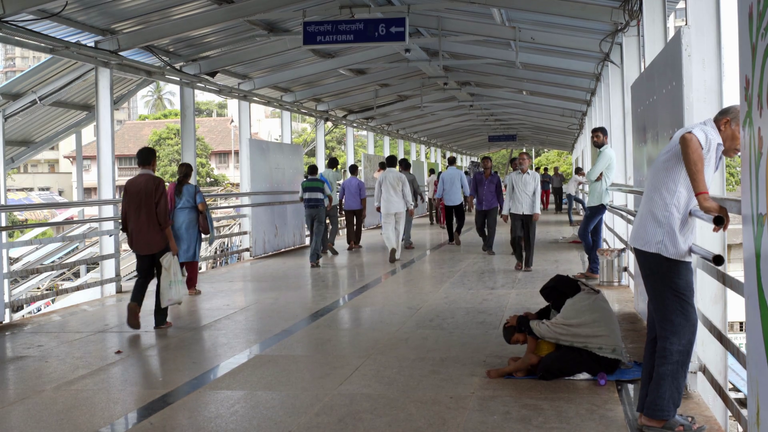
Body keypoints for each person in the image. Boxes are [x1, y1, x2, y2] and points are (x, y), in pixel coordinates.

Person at [630, 106, 740, 432]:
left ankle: (652, 411)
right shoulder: (701, 133)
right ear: (725, 124)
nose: (741, 146)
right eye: (742, 135)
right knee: (681, 326)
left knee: (664, 330)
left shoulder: (709, 139)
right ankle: (658, 415)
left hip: (657, 241)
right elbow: (690, 141)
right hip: (664, 244)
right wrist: (705, 200)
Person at [497, 274, 628, 381]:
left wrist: (521, 321)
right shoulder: (580, 293)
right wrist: (536, 315)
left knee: (546, 367)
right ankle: (526, 364)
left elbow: (548, 330)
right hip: (593, 349)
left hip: (604, 358)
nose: (552, 304)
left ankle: (529, 365)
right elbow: (552, 308)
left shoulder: (576, 306)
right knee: (555, 350)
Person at [120, 147, 178, 330]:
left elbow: (125, 215)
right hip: (159, 240)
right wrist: (172, 241)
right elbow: (163, 216)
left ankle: (135, 303)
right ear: (154, 162)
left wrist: (130, 235)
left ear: (137, 163)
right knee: (163, 279)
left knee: (143, 276)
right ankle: (160, 320)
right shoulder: (157, 183)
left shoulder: (129, 185)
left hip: (139, 240)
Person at [576, 127, 616, 280]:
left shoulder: (606, 153)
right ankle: (594, 269)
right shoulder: (601, 153)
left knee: (583, 232)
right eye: (593, 137)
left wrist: (592, 173)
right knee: (596, 236)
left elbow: (591, 175)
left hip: (598, 201)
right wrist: (592, 174)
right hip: (596, 200)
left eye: (597, 137)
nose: (594, 140)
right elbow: (592, 175)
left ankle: (593, 261)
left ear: (605, 138)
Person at [168, 163, 212, 296]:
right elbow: (201, 207)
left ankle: (172, 286)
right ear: (190, 174)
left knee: (177, 254)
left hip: (176, 224)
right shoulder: (194, 189)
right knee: (192, 255)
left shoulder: (172, 188)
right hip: (191, 225)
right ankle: (191, 287)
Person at [501, 152, 540, 271]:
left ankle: (528, 264)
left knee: (529, 238)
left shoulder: (535, 176)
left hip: (530, 211)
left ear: (529, 161)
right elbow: (509, 195)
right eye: (519, 159)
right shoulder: (512, 176)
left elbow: (537, 194)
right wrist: (505, 212)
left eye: (523, 159)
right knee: (515, 237)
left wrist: (537, 211)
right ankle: (519, 259)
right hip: (516, 211)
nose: (521, 161)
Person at [374, 155, 414, 263]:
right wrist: (410, 206)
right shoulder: (401, 176)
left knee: (387, 230)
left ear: (386, 164)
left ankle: (391, 247)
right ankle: (396, 255)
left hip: (387, 207)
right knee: (399, 230)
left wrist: (377, 204)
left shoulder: (382, 176)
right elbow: (407, 192)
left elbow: (377, 191)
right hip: (400, 207)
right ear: (396, 164)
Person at [486, 324, 556, 378]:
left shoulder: (531, 333)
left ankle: (503, 371)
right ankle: (519, 368)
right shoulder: (530, 337)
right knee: (512, 359)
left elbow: (530, 357)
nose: (521, 343)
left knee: (527, 360)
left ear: (520, 329)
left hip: (545, 363)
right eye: (517, 343)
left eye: (517, 340)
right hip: (538, 360)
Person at [469, 156, 503, 255]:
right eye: (483, 162)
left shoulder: (496, 178)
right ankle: (485, 239)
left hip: (492, 205)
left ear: (491, 164)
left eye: (487, 162)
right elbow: (473, 189)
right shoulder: (477, 176)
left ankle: (490, 248)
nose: (485, 163)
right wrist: (470, 200)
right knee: (479, 226)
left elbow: (499, 193)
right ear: (481, 164)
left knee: (491, 227)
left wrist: (502, 206)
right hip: (480, 205)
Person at [300, 164, 333, 268]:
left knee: (313, 235)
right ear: (316, 172)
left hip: (308, 211)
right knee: (317, 236)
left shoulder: (303, 184)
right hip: (319, 210)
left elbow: (300, 198)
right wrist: (329, 204)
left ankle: (316, 258)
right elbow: (329, 195)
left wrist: (306, 200)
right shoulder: (321, 183)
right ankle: (313, 259)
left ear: (308, 172)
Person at [434, 156, 470, 245]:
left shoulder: (443, 174)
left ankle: (451, 239)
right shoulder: (460, 173)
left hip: (447, 201)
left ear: (447, 163)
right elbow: (465, 186)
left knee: (449, 221)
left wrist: (438, 199)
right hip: (458, 200)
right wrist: (467, 196)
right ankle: (457, 231)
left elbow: (440, 188)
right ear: (455, 163)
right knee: (461, 219)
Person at [339, 164, 366, 250]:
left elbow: (340, 197)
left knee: (349, 224)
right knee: (358, 224)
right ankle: (356, 243)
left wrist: (340, 208)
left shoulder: (344, 183)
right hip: (358, 207)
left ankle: (351, 241)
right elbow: (363, 198)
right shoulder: (360, 183)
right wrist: (364, 210)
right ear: (356, 171)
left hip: (348, 207)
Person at [399, 159, 424, 250]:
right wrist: (421, 195)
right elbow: (416, 188)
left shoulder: (398, 176)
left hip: (399, 202)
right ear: (409, 168)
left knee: (400, 222)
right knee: (408, 222)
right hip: (409, 202)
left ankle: (400, 238)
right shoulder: (411, 177)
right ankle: (407, 242)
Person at [320, 157, 342, 256]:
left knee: (323, 226)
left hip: (322, 203)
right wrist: (337, 168)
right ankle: (330, 241)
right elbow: (340, 177)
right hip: (332, 203)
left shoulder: (321, 174)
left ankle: (324, 247)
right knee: (334, 224)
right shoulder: (334, 174)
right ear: (335, 165)